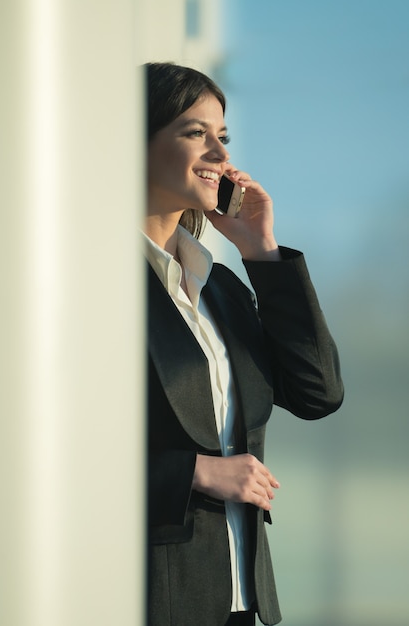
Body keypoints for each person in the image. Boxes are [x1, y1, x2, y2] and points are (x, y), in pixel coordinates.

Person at [144, 62, 343, 626]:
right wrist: (194, 473)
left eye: (223, 138)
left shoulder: (221, 287)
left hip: (241, 600)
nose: (219, 155)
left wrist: (263, 253)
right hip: (150, 598)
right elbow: (53, 446)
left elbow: (317, 391)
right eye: (195, 133)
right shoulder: (90, 278)